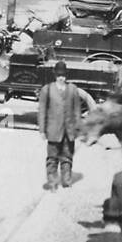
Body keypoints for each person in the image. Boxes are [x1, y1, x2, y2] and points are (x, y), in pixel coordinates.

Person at [37, 62, 83, 190]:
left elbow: (77, 111)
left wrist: (77, 128)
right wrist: (42, 130)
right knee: (52, 158)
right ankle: (52, 182)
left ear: (66, 76)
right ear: (55, 75)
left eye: (63, 75)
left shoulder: (73, 89)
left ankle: (66, 181)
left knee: (67, 157)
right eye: (58, 76)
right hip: (53, 131)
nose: (61, 78)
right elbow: (42, 111)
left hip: (69, 131)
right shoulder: (47, 89)